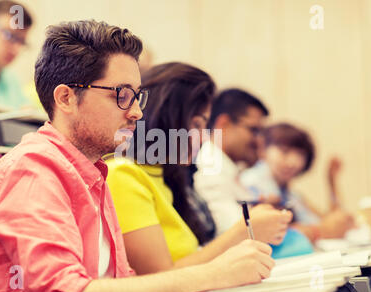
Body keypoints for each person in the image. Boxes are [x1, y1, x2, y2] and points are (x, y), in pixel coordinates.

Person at [0, 20, 275, 292]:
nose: (137, 112)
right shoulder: (32, 170)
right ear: (66, 98)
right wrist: (214, 274)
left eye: (138, 96)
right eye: (121, 94)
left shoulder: (94, 172)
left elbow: (120, 283)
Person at [105, 64, 291, 275]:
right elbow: (159, 279)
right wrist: (243, 232)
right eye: (196, 125)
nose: (203, 138)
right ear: (165, 119)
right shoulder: (122, 174)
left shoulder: (165, 177)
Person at [194, 89, 292, 238]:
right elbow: (236, 234)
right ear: (224, 124)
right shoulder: (209, 168)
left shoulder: (227, 168)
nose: (259, 141)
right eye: (254, 130)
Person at [240, 123, 356, 242]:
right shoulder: (253, 182)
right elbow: (270, 233)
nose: (292, 162)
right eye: (284, 152)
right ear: (263, 149)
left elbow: (328, 222)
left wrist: (331, 181)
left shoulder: (291, 194)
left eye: (300, 154)